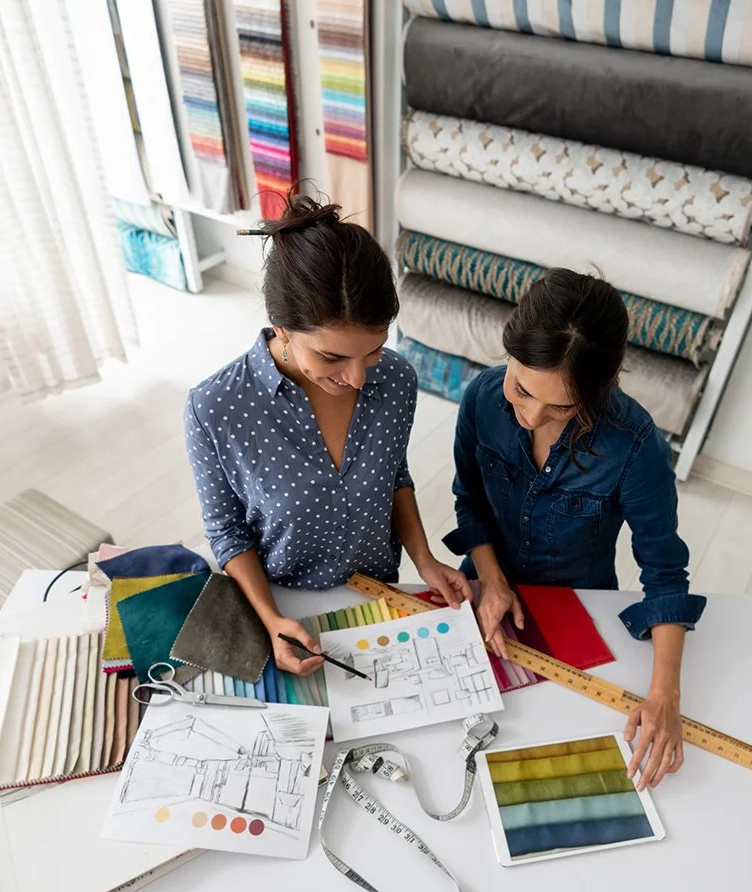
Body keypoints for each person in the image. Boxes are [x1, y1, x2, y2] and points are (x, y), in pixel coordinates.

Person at [184, 195, 471, 675]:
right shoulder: (216, 407)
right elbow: (226, 533)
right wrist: (272, 620)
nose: (359, 378)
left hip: (379, 594)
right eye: (333, 358)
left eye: (374, 351)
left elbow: (394, 475)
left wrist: (424, 559)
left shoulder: (396, 379)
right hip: (282, 605)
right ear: (283, 331)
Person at [446, 269, 706, 790]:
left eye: (561, 406)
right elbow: (469, 500)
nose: (531, 416)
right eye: (521, 389)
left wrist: (664, 697)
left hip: (580, 609)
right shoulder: (480, 399)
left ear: (599, 386)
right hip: (482, 591)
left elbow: (664, 572)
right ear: (509, 351)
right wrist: (492, 582)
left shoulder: (633, 446)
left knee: (556, 747)